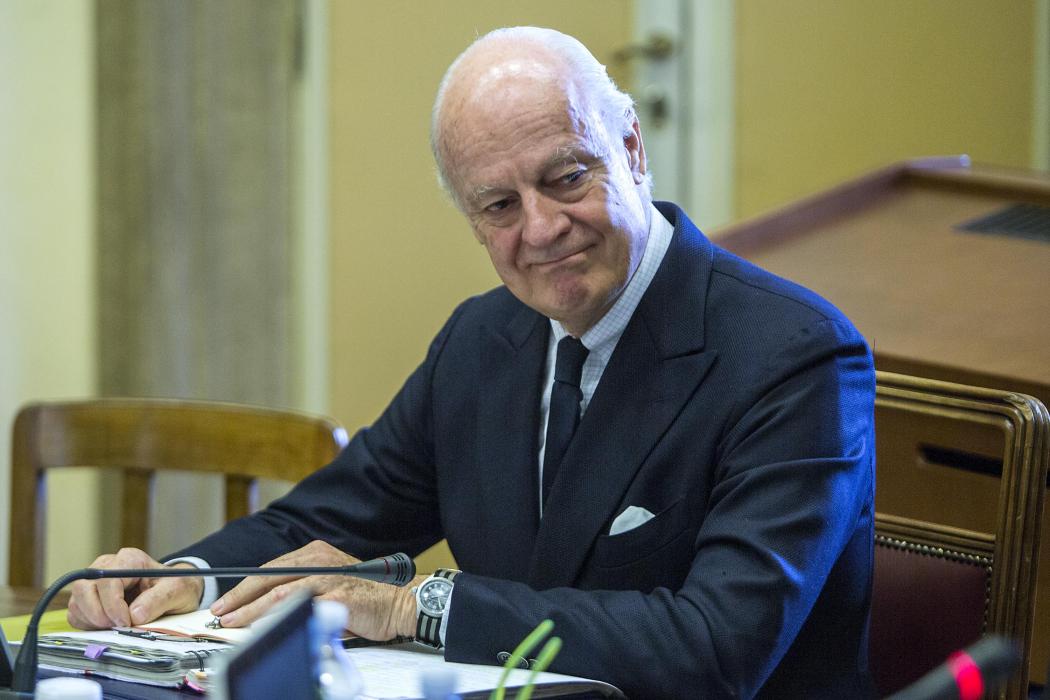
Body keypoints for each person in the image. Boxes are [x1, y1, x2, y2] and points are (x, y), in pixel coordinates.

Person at [67, 27, 876, 699]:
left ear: (631, 148)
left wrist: (414, 607)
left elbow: (716, 647)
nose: (542, 228)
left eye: (567, 177)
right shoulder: (483, 339)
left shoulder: (794, 356)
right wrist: (187, 577)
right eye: (499, 205)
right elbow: (330, 521)